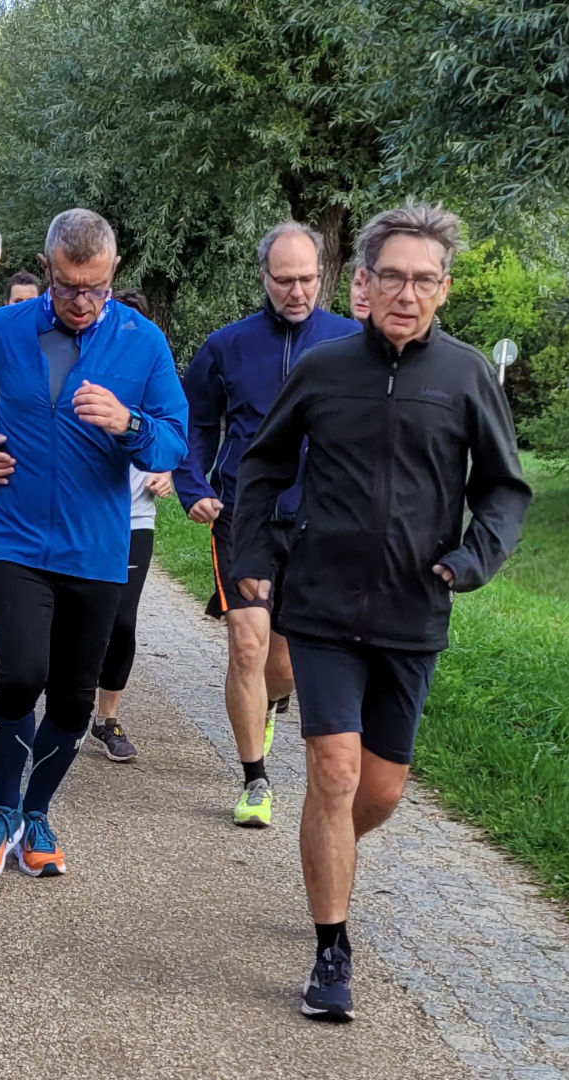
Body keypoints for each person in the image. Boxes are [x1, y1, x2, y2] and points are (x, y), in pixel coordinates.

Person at [230, 201, 531, 1023]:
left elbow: (504, 488)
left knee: (382, 792)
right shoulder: (324, 370)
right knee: (334, 770)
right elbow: (261, 468)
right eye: (390, 276)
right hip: (321, 604)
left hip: (412, 609)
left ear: (443, 288)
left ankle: (327, 853)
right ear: (363, 284)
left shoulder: (466, 376)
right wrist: (251, 560)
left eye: (422, 279)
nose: (406, 292)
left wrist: (471, 561)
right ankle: (332, 952)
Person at [0, 209, 188, 881]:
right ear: (47, 267)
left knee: (71, 701)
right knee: (22, 672)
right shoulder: (4, 330)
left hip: (95, 546)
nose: (84, 302)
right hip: (15, 534)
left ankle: (37, 812)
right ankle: (0, 808)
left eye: (98, 287)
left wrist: (131, 423)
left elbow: (174, 437)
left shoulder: (142, 343)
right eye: (69, 287)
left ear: (113, 274)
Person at [173, 223, 359, 829]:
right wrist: (194, 487)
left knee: (283, 659)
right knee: (247, 643)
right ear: (264, 278)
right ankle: (255, 779)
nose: (297, 290)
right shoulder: (227, 346)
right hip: (243, 517)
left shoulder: (350, 341)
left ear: (322, 276)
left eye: (307, 278)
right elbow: (195, 423)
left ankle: (276, 699)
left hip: (317, 522)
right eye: (284, 279)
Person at [87, 288, 174, 764]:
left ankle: (108, 717)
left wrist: (167, 471)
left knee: (122, 619)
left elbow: (175, 436)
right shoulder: (90, 371)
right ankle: (71, 703)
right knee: (81, 615)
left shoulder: (154, 374)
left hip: (136, 515)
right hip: (87, 513)